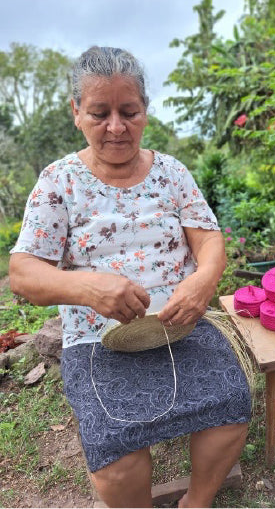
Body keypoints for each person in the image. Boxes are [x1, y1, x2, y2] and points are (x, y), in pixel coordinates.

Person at [9, 46, 251, 508]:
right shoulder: (58, 182)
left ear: (145, 111)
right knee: (117, 457)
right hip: (95, 338)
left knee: (228, 407)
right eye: (100, 113)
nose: (116, 126)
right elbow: (22, 273)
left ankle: (195, 502)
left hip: (180, 322)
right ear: (76, 112)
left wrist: (203, 280)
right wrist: (87, 287)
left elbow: (208, 240)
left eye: (129, 112)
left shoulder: (171, 173)